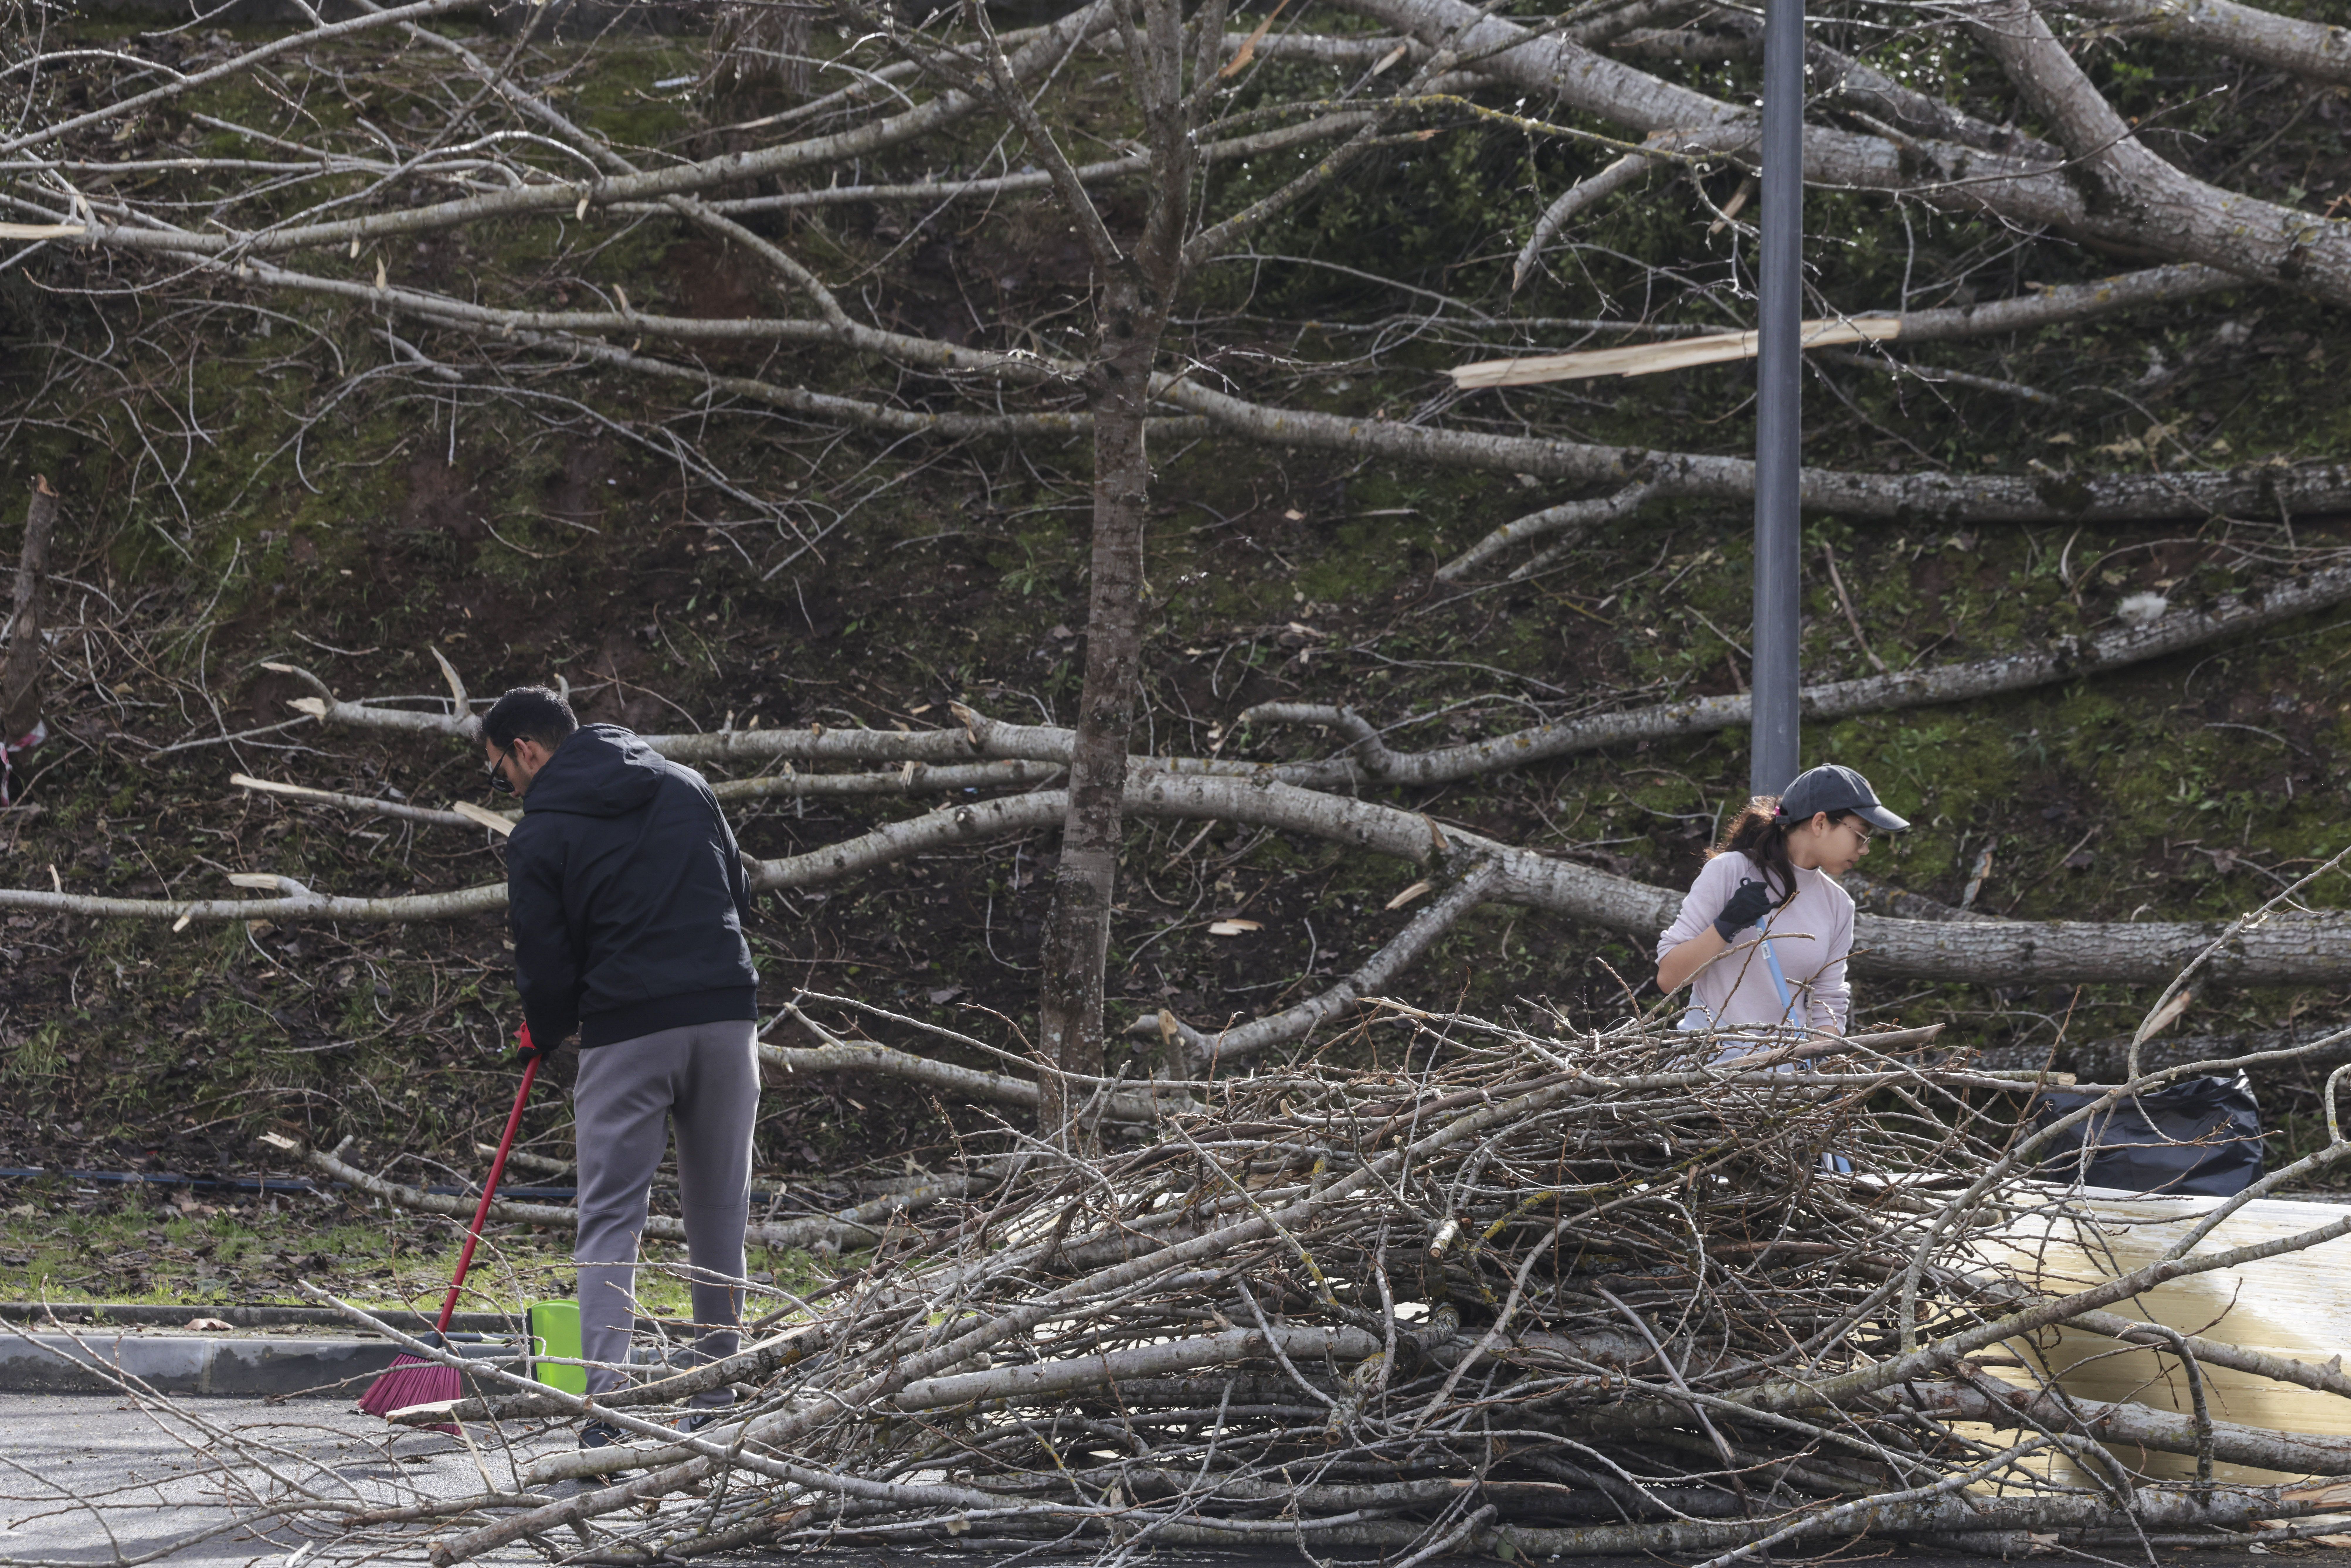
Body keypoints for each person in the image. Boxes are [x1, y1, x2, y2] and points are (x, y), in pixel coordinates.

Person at [483, 686, 760, 1445]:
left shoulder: (539, 835)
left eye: (500, 771)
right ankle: (717, 1393)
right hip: (727, 1017)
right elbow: (739, 894)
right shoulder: (686, 784)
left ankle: (607, 1410)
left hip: (628, 1030)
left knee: (610, 1216)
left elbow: (546, 962)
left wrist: (544, 1029)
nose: (507, 786)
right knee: (719, 1212)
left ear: (527, 750)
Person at [1655, 764, 1909, 1047]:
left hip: (1787, 1069)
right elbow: (1669, 978)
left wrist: (1821, 1056)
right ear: (1820, 823)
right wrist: (1727, 924)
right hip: (1707, 1062)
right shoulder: (1728, 871)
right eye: (1860, 835)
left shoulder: (1839, 904)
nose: (1865, 849)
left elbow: (1828, 1001)